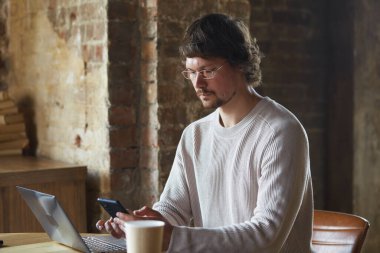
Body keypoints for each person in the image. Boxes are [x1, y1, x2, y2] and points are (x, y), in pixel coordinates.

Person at [96, 13, 314, 252]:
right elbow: (174, 209)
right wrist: (144, 224)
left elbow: (266, 236)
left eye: (208, 70)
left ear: (240, 63)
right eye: (191, 72)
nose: (197, 84)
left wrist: (171, 238)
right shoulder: (195, 135)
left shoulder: (280, 133)